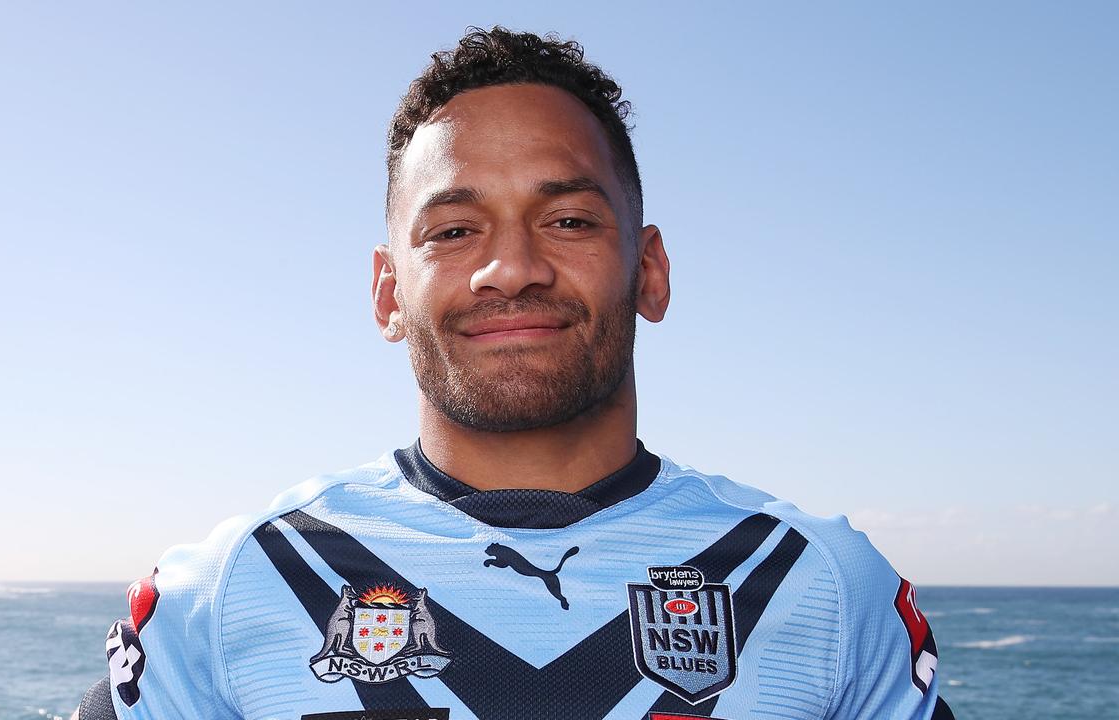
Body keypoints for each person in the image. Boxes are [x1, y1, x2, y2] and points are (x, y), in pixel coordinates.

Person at [74, 26, 954, 720]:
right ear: (388, 293)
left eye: (568, 220)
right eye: (454, 231)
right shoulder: (231, 589)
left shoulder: (821, 585)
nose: (512, 268)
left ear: (650, 271)